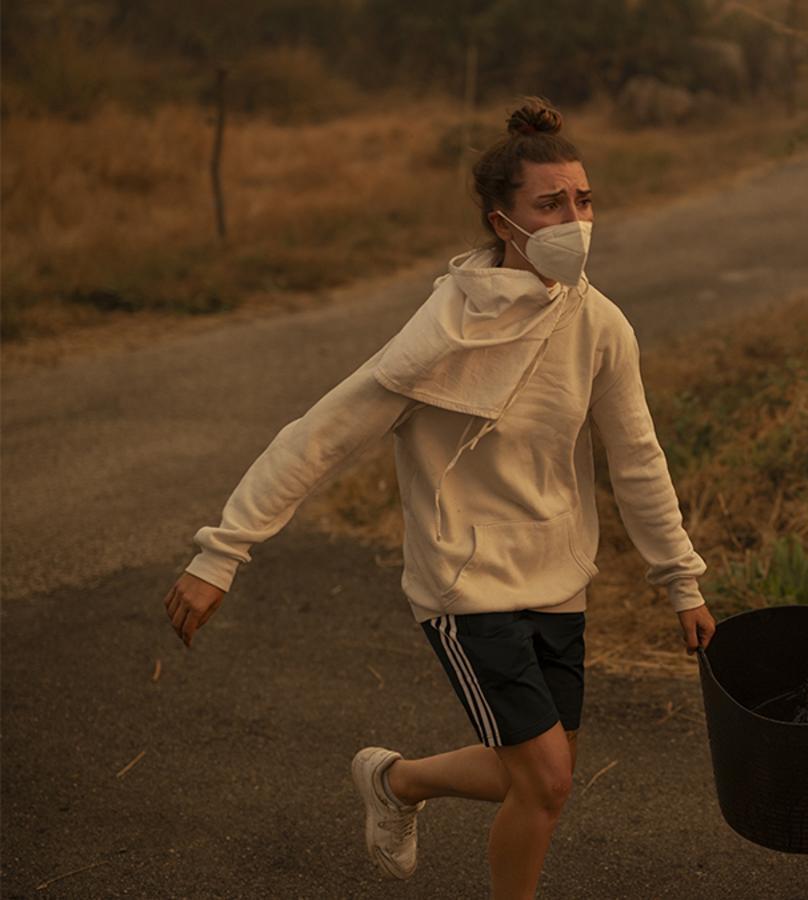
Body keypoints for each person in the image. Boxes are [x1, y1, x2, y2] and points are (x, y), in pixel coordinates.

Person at [160, 97, 716, 899]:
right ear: (503, 221)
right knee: (548, 779)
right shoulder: (442, 335)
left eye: (584, 200)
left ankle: (397, 783)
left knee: (535, 776)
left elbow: (638, 461)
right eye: (550, 204)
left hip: (560, 576)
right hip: (465, 581)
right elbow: (320, 436)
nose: (575, 220)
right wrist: (221, 553)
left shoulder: (600, 325)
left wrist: (680, 578)